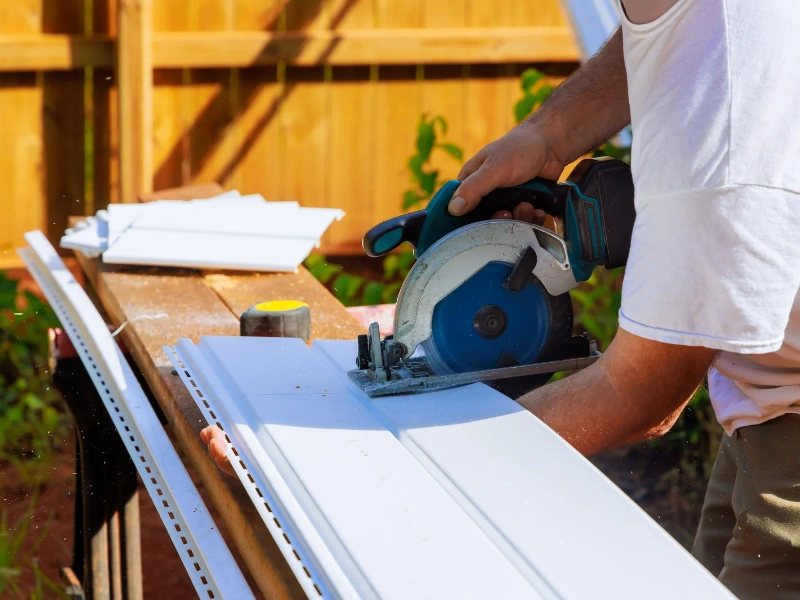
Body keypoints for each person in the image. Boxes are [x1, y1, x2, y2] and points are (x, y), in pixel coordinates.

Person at [204, 1, 800, 597]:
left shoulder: (721, 141)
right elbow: (665, 34)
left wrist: (356, 463)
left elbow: (639, 396)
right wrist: (548, 134)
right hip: (764, 397)